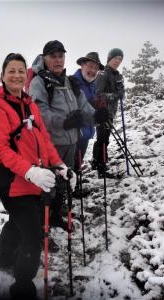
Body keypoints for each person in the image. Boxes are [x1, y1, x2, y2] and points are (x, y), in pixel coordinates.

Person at [0, 53, 76, 299]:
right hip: (12, 183)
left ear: (26, 75)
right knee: (33, 237)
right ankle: (22, 288)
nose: (17, 75)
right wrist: (30, 171)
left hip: (35, 180)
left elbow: (44, 139)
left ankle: (3, 257)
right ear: (2, 75)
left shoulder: (30, 104)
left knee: (18, 221)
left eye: (21, 71)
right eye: (11, 70)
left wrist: (59, 165)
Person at [29, 41, 109, 230]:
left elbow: (83, 107)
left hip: (71, 143)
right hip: (51, 146)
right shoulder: (39, 82)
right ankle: (42, 227)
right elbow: (39, 113)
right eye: (53, 56)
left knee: (63, 183)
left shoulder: (70, 82)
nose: (58, 60)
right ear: (45, 58)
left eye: (61, 56)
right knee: (48, 188)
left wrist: (95, 116)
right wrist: (64, 122)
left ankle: (56, 217)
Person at [92, 48, 125, 178]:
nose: (117, 61)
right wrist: (115, 95)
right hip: (102, 111)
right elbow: (97, 93)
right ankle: (101, 165)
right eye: (115, 58)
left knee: (104, 138)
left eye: (120, 59)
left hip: (110, 112)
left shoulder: (117, 75)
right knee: (103, 139)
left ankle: (97, 161)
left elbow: (120, 93)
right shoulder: (103, 74)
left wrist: (121, 91)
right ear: (109, 59)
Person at [72, 52, 104, 172]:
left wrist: (99, 107)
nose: (93, 70)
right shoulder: (73, 82)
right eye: (90, 66)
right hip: (74, 132)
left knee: (78, 161)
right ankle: (70, 188)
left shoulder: (93, 85)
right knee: (71, 164)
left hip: (86, 130)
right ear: (82, 65)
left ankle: (76, 185)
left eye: (96, 68)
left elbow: (93, 103)